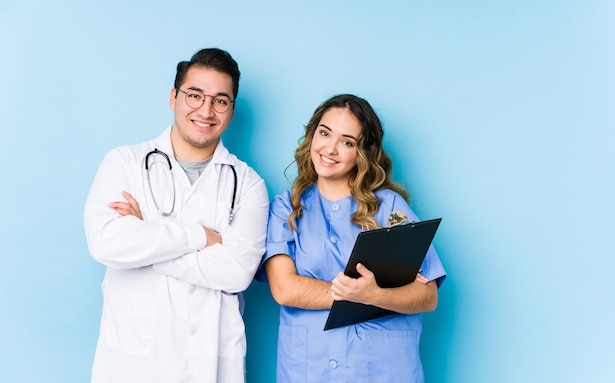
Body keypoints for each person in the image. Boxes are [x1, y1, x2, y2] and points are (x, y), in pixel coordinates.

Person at [84, 48, 269, 383]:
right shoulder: (124, 163)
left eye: (220, 100)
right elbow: (106, 243)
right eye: (194, 95)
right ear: (173, 97)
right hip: (134, 364)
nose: (206, 110)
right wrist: (200, 236)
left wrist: (146, 240)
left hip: (212, 364)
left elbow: (238, 271)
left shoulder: (248, 184)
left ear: (231, 109)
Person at [256, 94, 446, 382]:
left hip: (383, 368)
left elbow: (427, 294)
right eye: (324, 133)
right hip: (310, 367)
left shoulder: (390, 207)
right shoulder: (286, 207)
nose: (330, 149)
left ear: (364, 151)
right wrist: (361, 295)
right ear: (312, 135)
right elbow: (285, 289)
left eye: (347, 142)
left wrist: (376, 294)